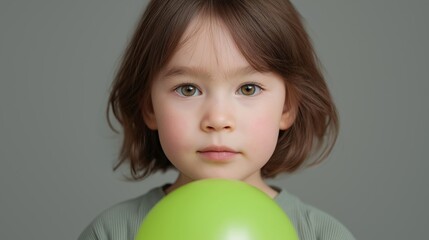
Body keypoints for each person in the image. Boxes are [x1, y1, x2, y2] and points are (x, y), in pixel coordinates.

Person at [79, 0, 355, 239]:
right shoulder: (111, 233)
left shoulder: (321, 235)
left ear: (287, 107)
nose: (218, 119)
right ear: (149, 107)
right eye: (188, 89)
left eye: (248, 88)